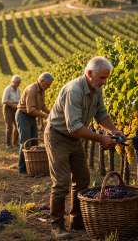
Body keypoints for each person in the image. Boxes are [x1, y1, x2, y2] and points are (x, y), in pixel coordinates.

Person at [45, 56, 124, 240]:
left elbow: (101, 113)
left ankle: (77, 220)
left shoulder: (96, 89)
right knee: (61, 182)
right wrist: (100, 139)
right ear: (89, 73)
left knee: (82, 179)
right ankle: (56, 225)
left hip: (75, 139)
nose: (104, 82)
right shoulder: (74, 90)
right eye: (102, 78)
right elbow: (73, 126)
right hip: (57, 136)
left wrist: (112, 130)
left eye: (106, 78)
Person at [16, 72, 54, 177]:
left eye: (50, 85)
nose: (49, 87)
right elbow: (30, 109)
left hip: (32, 117)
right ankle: (22, 170)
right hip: (23, 116)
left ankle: (33, 168)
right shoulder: (31, 89)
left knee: (34, 144)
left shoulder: (42, 90)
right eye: (48, 84)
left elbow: (42, 105)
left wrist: (51, 114)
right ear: (41, 81)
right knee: (25, 143)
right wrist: (45, 116)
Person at [2, 75, 21, 148]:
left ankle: (15, 142)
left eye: (19, 83)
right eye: (17, 82)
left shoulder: (18, 89)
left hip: (16, 108)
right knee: (9, 126)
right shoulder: (7, 89)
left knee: (17, 126)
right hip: (8, 108)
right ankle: (8, 143)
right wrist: (13, 105)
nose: (18, 84)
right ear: (12, 82)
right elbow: (4, 101)